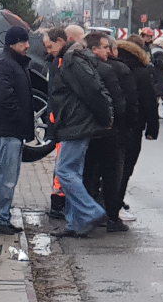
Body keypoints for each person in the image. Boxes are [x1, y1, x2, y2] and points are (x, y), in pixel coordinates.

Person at [43, 27, 114, 238]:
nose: (48, 51)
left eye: (49, 46)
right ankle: (76, 222)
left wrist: (106, 117)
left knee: (64, 171)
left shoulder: (72, 60)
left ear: (60, 40)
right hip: (75, 123)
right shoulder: (70, 58)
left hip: (76, 124)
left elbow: (94, 90)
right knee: (73, 172)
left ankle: (91, 212)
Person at [0, 25, 35, 235]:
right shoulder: (4, 65)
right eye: (23, 42)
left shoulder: (14, 64)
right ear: (13, 44)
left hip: (12, 130)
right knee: (6, 178)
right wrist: (19, 118)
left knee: (10, 177)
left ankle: (3, 217)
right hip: (7, 131)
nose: (27, 46)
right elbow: (4, 96)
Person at [81, 32, 129, 231]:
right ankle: (112, 217)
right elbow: (118, 102)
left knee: (88, 172)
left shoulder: (80, 68)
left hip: (86, 129)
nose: (108, 51)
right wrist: (117, 124)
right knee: (111, 174)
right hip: (108, 130)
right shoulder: (107, 70)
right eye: (104, 47)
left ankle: (87, 213)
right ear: (94, 49)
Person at [114, 36, 160, 219]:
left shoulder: (110, 64)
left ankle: (104, 202)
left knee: (108, 167)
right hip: (134, 126)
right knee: (126, 168)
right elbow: (149, 101)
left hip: (110, 124)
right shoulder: (141, 71)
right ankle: (116, 205)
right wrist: (152, 129)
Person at [47, 25, 86, 219]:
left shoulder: (61, 60)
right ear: (70, 39)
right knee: (64, 165)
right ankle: (59, 202)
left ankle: (60, 200)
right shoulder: (63, 61)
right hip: (64, 121)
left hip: (62, 120)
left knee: (63, 164)